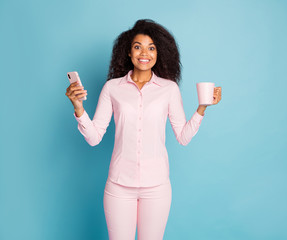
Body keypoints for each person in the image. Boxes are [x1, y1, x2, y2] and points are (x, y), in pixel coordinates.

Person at [65, 19, 222, 240]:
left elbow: (183, 137)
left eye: (151, 47)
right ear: (128, 52)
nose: (144, 53)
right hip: (119, 187)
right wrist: (79, 108)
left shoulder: (169, 89)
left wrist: (202, 108)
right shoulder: (112, 88)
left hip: (157, 188)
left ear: (159, 53)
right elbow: (94, 137)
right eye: (138, 46)